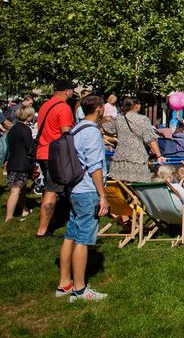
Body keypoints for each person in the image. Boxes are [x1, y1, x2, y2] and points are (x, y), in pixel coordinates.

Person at [56, 93, 109, 302]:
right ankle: (79, 289)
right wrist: (102, 195)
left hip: (74, 188)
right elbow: (95, 166)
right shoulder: (92, 132)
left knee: (71, 233)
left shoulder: (76, 128)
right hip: (87, 189)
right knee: (83, 239)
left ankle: (64, 283)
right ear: (99, 109)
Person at [35, 80, 78, 238]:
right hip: (56, 154)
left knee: (48, 188)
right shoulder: (63, 107)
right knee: (52, 191)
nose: (73, 93)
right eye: (72, 90)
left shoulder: (45, 105)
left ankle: (50, 221)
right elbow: (66, 133)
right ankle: (42, 230)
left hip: (42, 151)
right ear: (67, 91)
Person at [102, 96, 164, 184]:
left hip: (120, 158)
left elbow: (106, 128)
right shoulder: (142, 119)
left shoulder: (119, 118)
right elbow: (150, 139)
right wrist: (158, 155)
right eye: (139, 104)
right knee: (136, 187)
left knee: (122, 187)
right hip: (137, 158)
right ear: (135, 106)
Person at [5, 106, 36, 221]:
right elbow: (29, 148)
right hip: (21, 163)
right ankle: (9, 217)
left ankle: (24, 209)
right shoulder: (25, 129)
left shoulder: (12, 129)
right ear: (28, 117)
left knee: (22, 188)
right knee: (16, 190)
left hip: (12, 161)